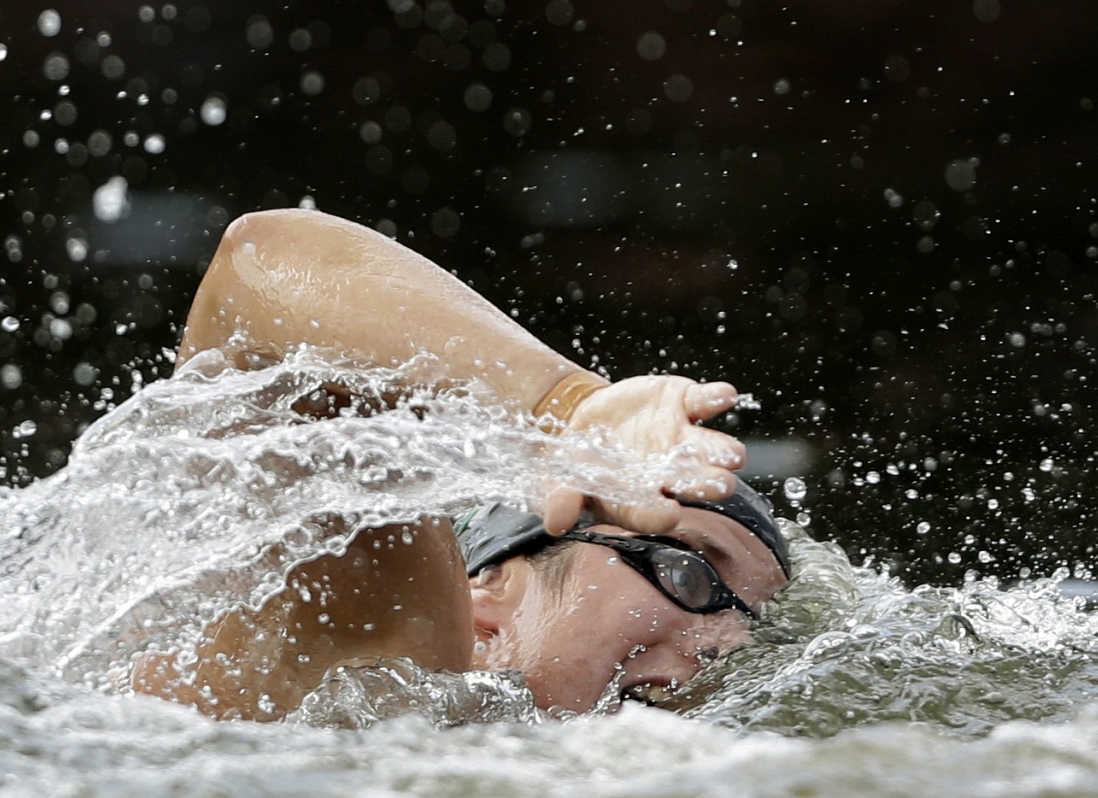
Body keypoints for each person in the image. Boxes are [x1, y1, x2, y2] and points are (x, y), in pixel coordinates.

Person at [130, 209, 791, 720]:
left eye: (752, 628)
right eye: (689, 572)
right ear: (491, 589)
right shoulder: (392, 674)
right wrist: (564, 409)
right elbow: (255, 267)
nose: (724, 645)